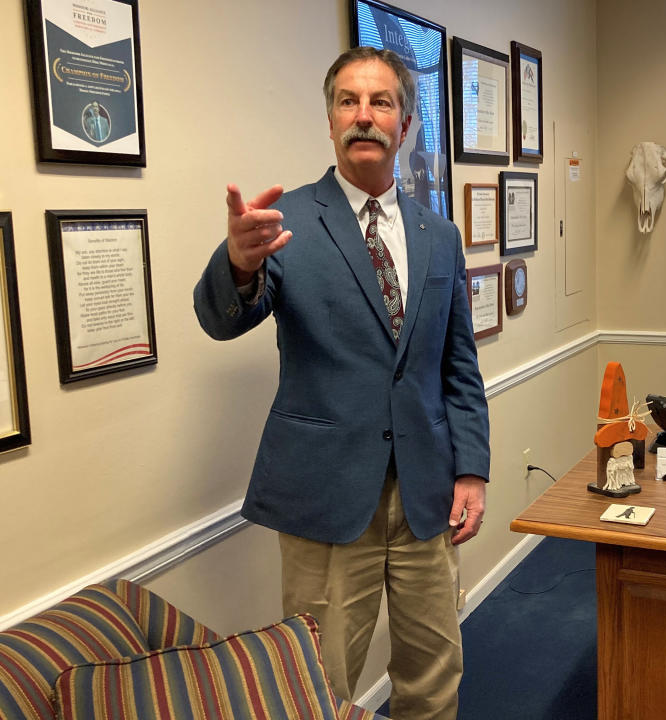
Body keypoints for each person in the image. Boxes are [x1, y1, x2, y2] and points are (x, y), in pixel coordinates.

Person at [193, 46, 490, 720]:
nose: (364, 116)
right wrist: (238, 264)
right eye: (348, 102)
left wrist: (471, 469)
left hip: (426, 493)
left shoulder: (439, 236)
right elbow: (221, 318)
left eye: (380, 102)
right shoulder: (285, 224)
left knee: (435, 670)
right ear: (330, 121)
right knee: (318, 686)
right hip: (325, 498)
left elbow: (458, 365)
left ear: (405, 124)